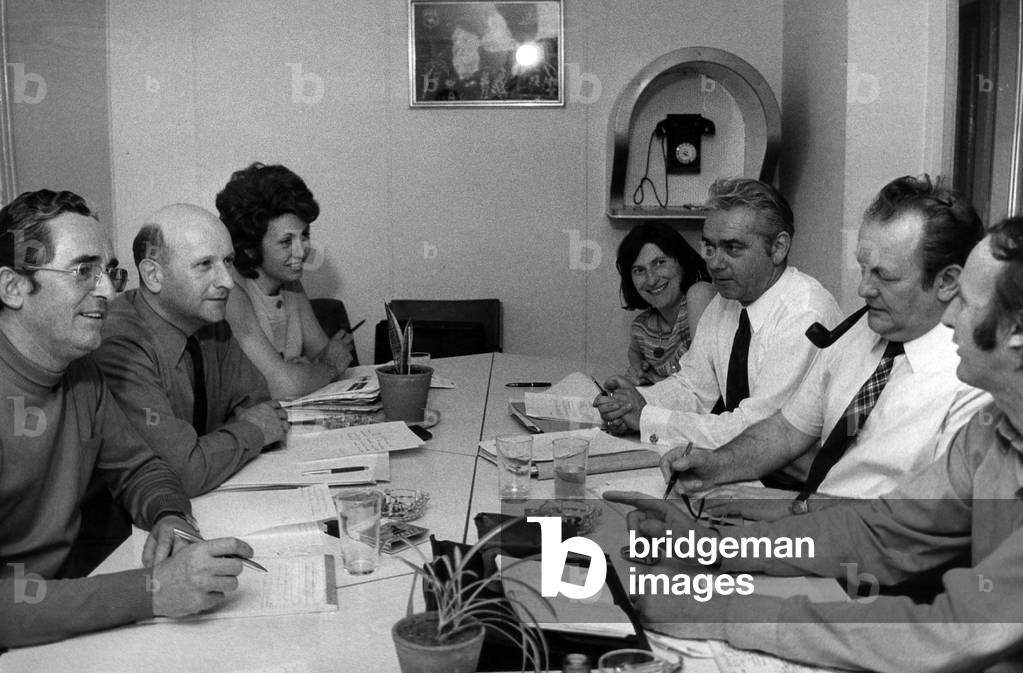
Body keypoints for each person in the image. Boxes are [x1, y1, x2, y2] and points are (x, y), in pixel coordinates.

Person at [604, 216, 1023, 673]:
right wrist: (717, 549)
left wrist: (727, 612)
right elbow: (880, 533)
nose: (948, 316)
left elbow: (954, 631)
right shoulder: (991, 429)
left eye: (968, 303)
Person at [0, 190, 253, 648]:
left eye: (108, 271)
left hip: (59, 618)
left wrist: (170, 517)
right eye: (83, 271)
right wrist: (154, 591)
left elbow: (141, 469)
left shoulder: (82, 371)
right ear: (13, 287)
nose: (109, 291)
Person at [659, 175, 990, 520]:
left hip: (874, 558)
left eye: (885, 277)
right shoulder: (860, 331)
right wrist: (716, 464)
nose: (863, 289)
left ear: (948, 282)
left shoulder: (973, 381)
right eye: (863, 269)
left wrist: (789, 508)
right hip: (814, 524)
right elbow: (787, 432)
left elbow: (930, 520)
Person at [595, 177, 841, 450]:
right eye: (710, 247)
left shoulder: (805, 314)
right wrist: (633, 402)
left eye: (732, 248)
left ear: (779, 248)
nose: (714, 262)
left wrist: (646, 418)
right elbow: (692, 387)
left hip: (788, 481)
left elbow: (754, 430)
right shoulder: (725, 302)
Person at [93, 204, 289, 497]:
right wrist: (251, 432)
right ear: (153, 275)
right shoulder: (120, 345)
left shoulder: (209, 321)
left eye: (228, 261)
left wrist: (220, 445)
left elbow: (261, 407)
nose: (226, 282)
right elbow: (181, 473)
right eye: (205, 265)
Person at [215, 163, 353, 399]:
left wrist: (316, 369)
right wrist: (323, 369)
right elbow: (287, 385)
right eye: (286, 242)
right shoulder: (231, 294)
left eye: (305, 235)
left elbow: (327, 356)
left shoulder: (290, 284)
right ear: (249, 248)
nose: (301, 251)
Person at [616, 222, 716, 385]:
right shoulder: (641, 327)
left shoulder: (699, 295)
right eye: (639, 270)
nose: (652, 280)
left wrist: (656, 382)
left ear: (682, 262)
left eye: (659, 263)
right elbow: (633, 352)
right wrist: (637, 370)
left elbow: (704, 380)